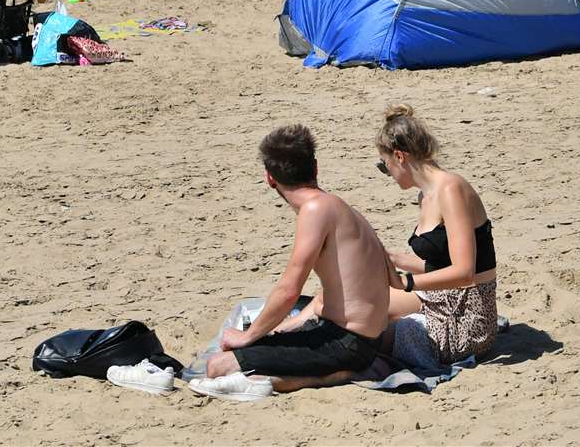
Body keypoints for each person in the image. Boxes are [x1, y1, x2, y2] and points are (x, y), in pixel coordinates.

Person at [192, 125, 392, 399]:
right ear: (316, 167)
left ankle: (339, 375)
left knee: (218, 365)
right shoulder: (336, 205)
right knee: (254, 346)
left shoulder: (315, 209)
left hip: (348, 343)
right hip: (356, 338)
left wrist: (248, 338)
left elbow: (289, 291)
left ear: (270, 178)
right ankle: (334, 371)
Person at [372, 106, 499, 367]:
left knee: (362, 322)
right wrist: (389, 258)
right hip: (442, 298)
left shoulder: (451, 190)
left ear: (399, 156)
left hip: (466, 317)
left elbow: (465, 272)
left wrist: (405, 282)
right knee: (356, 303)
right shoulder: (426, 195)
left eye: (385, 166)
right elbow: (441, 265)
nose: (388, 175)